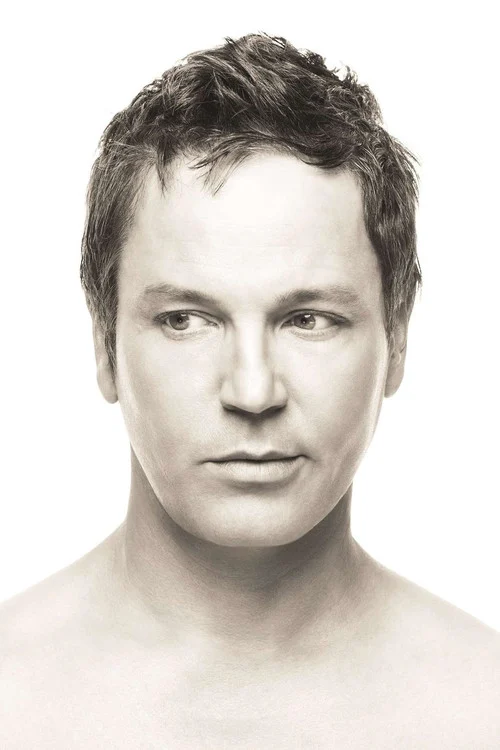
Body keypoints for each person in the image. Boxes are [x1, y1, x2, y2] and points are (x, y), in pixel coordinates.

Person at [1, 33, 498, 749]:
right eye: (185, 319)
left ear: (397, 338)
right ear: (104, 344)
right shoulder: (11, 699)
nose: (253, 390)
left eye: (308, 319)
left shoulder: (483, 706)